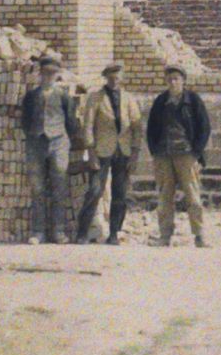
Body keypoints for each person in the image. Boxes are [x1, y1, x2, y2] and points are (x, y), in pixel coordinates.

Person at [144, 62, 212, 249]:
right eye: (169, 79)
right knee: (165, 197)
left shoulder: (193, 100)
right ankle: (165, 236)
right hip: (164, 155)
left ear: (183, 81)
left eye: (176, 79)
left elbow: (204, 128)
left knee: (193, 196)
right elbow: (151, 129)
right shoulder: (161, 101)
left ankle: (199, 236)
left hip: (186, 155)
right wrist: (155, 152)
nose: (173, 82)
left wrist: (196, 152)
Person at [77, 60, 143, 245]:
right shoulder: (95, 98)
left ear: (122, 79)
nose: (114, 81)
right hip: (101, 151)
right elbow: (88, 126)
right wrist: (91, 152)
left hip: (123, 151)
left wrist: (135, 153)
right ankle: (82, 232)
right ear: (106, 78)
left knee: (120, 193)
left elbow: (137, 128)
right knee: (94, 191)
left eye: (117, 78)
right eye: (111, 78)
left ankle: (114, 233)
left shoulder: (129, 99)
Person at [20, 52, 81, 244]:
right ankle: (38, 231)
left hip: (58, 142)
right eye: (45, 73)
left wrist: (64, 139)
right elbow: (25, 120)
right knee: (37, 188)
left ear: (57, 75)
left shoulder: (63, 96)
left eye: (52, 73)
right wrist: (33, 134)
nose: (48, 77)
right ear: (40, 74)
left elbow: (71, 122)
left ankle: (58, 231)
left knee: (59, 186)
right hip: (36, 142)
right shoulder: (31, 96)